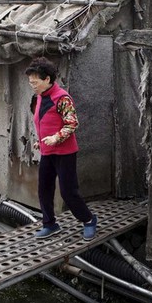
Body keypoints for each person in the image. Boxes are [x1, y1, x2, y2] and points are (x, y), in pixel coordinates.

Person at [25, 57, 97, 240]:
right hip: (47, 152)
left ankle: (88, 220)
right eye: (30, 82)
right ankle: (50, 224)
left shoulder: (62, 97)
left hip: (65, 153)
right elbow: (45, 123)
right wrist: (41, 141)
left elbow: (72, 123)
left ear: (47, 79)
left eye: (35, 82)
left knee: (68, 191)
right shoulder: (40, 97)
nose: (32, 85)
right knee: (44, 189)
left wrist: (56, 137)